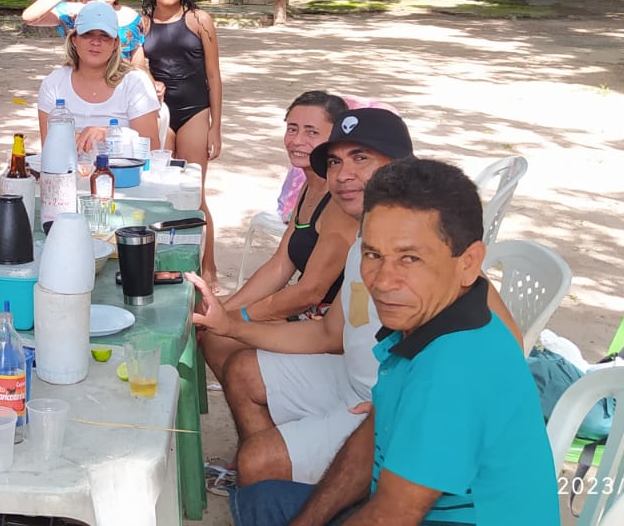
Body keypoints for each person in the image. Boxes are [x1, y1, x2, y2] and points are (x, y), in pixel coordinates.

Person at [196, 109, 522, 489]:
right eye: (335, 162)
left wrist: (407, 410)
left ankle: (298, 480)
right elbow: (327, 334)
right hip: (351, 378)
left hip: (387, 405)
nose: (342, 175)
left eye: (361, 158)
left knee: (257, 461)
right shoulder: (363, 244)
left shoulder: (438, 257)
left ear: (400, 167)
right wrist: (230, 325)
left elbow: (508, 355)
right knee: (242, 371)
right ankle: (294, 483)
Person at [227, 159, 556, 526]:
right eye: (373, 255)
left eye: (410, 258)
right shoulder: (424, 319)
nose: (383, 281)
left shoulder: (453, 369)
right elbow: (371, 437)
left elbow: (391, 516)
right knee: (262, 501)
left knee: (263, 503)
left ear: (469, 262)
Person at [200, 91, 354, 384]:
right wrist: (227, 309)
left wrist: (241, 318)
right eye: (292, 129)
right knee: (205, 316)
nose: (297, 140)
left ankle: (270, 403)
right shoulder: (310, 185)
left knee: (221, 340)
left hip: (328, 323)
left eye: (312, 132)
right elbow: (280, 264)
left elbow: (310, 291)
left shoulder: (340, 200)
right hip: (309, 310)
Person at [139, 0, 223, 279]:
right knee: (161, 192)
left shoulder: (199, 20)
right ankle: (168, 265)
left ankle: (209, 265)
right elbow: (137, 67)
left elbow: (214, 75)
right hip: (159, 114)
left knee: (194, 193)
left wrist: (216, 127)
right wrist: (151, 81)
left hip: (194, 112)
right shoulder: (142, 23)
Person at [35, 0, 161, 155]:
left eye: (105, 36)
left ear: (115, 43)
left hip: (124, 169)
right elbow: (49, 149)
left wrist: (109, 134)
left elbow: (151, 148)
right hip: (70, 168)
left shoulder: (135, 83)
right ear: (74, 39)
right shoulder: (53, 83)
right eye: (87, 34)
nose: (95, 42)